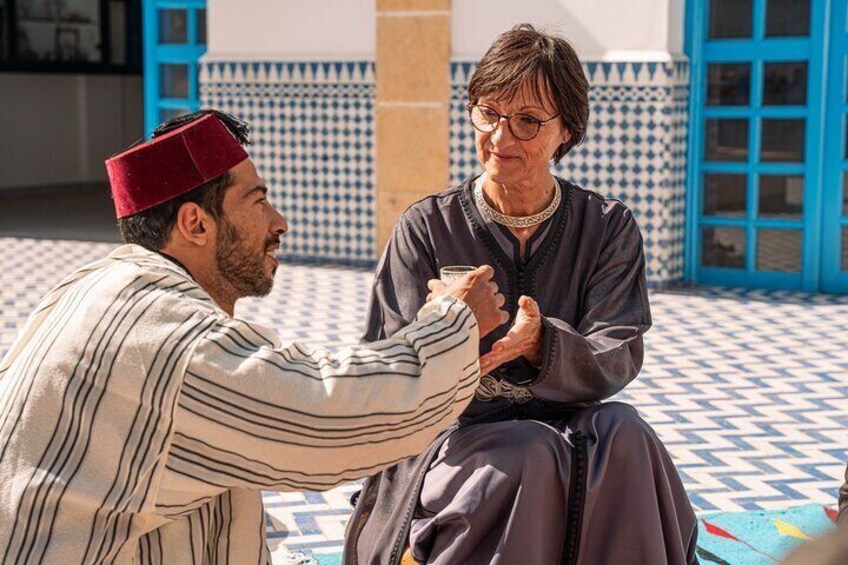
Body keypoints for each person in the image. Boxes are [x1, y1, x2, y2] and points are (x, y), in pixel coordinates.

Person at [0, 110, 509, 564]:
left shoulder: (92, 286)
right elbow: (332, 417)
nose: (279, 222)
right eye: (258, 201)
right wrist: (454, 321)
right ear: (196, 224)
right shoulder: (171, 340)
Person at [344, 25, 698, 565]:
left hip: (566, 421)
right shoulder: (426, 227)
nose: (501, 138)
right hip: (452, 438)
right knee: (528, 451)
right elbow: (383, 365)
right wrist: (446, 326)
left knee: (626, 432)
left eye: (528, 121)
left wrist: (540, 345)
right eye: (489, 113)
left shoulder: (606, 227)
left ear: (567, 132)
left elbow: (618, 349)